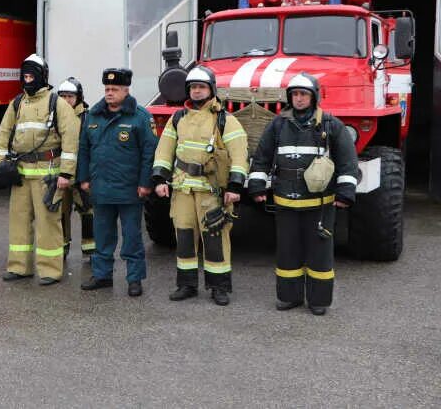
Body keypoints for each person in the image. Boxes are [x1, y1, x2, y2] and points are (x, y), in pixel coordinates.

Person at [248, 72, 358, 316]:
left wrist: (346, 191)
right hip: (285, 203)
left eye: (303, 94)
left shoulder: (331, 125)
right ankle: (289, 297)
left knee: (320, 255)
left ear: (314, 97)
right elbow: (262, 158)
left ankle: (319, 301)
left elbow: (348, 163)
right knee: (287, 253)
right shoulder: (277, 125)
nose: (298, 99)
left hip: (320, 205)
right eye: (295, 94)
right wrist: (256, 186)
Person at [151, 66, 248, 306]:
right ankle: (187, 284)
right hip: (183, 189)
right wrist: (160, 178)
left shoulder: (226, 120)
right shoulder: (178, 119)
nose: (196, 91)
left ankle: (219, 287)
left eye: (201, 87)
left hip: (211, 191)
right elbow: (164, 150)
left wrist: (235, 187)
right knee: (183, 235)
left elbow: (239, 156)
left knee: (214, 237)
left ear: (211, 89)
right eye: (193, 87)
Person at [0, 54, 79, 286]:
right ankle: (19, 267)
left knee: (48, 224)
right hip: (21, 174)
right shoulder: (17, 103)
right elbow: (3, 134)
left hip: (48, 175)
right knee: (19, 221)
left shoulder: (57, 104)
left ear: (42, 76)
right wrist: (0, 165)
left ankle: (51, 270)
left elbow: (71, 141)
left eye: (31, 74)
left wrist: (65, 174)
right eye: (25, 74)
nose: (27, 78)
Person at [78, 68, 157, 297]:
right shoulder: (93, 115)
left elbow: (148, 153)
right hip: (101, 189)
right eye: (107, 89)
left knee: (132, 237)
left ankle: (134, 279)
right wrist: (83, 178)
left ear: (126, 90)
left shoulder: (140, 117)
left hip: (130, 190)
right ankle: (102, 276)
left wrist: (145, 183)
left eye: (114, 89)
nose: (109, 93)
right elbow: (84, 149)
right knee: (102, 236)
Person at [56, 77, 95, 261]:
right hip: (61, 173)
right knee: (61, 211)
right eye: (62, 96)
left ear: (78, 97)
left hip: (81, 173)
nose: (66, 100)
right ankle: (62, 247)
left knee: (87, 210)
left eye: (70, 96)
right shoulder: (54, 115)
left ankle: (90, 248)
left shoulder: (88, 117)